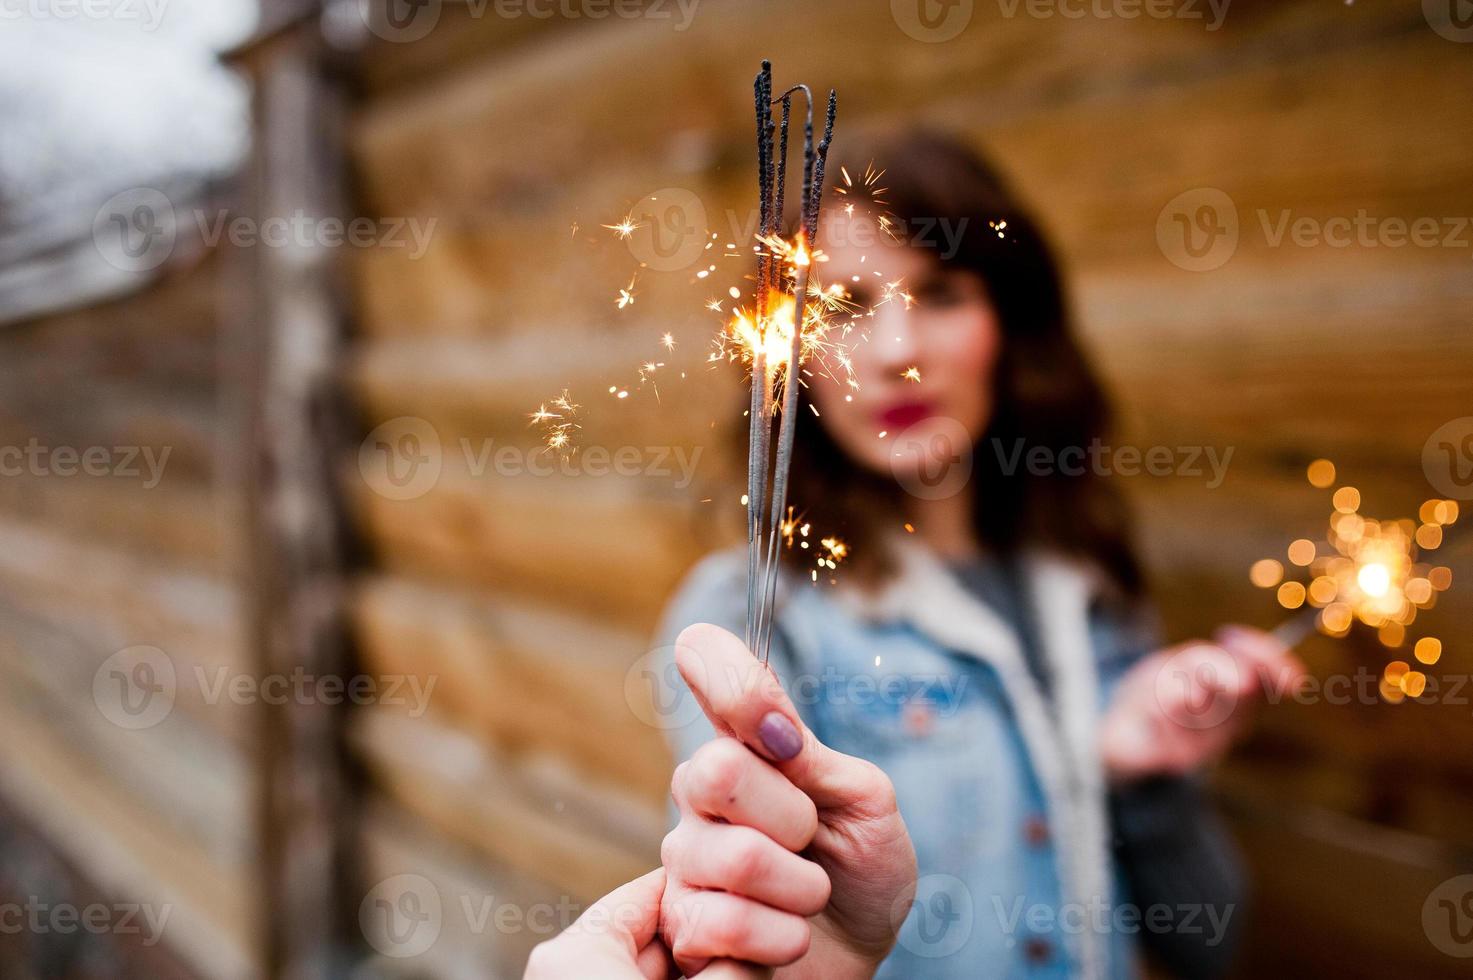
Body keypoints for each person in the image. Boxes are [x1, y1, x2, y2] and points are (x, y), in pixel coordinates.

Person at [654, 130, 1304, 979]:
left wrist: (1141, 775)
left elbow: (1205, 943)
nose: (898, 353)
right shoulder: (754, 621)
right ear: (787, 354)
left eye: (941, 293)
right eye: (845, 306)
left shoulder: (1089, 583)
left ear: (1009, 323)